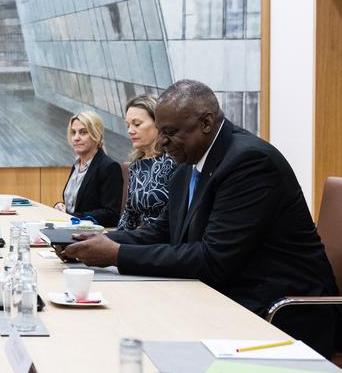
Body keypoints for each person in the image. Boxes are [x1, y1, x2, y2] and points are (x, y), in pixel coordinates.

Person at [65, 80, 338, 356]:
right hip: (225, 296)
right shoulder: (189, 162)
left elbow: (213, 259)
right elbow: (162, 231)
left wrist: (117, 254)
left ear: (206, 123)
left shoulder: (250, 162)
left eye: (170, 133)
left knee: (144, 336)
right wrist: (95, 243)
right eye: (161, 132)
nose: (161, 142)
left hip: (278, 312)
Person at [53, 110, 123, 227]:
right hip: (70, 229)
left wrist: (71, 216)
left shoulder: (109, 167)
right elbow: (75, 204)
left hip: (90, 236)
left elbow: (111, 214)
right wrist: (60, 206)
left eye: (83, 132)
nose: (76, 138)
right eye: (73, 132)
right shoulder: (76, 165)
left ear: (96, 135)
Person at [117, 95, 176, 230]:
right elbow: (128, 216)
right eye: (128, 125)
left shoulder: (173, 161)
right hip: (138, 242)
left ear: (158, 123)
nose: (130, 130)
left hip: (162, 245)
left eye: (137, 124)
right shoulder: (135, 166)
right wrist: (109, 242)